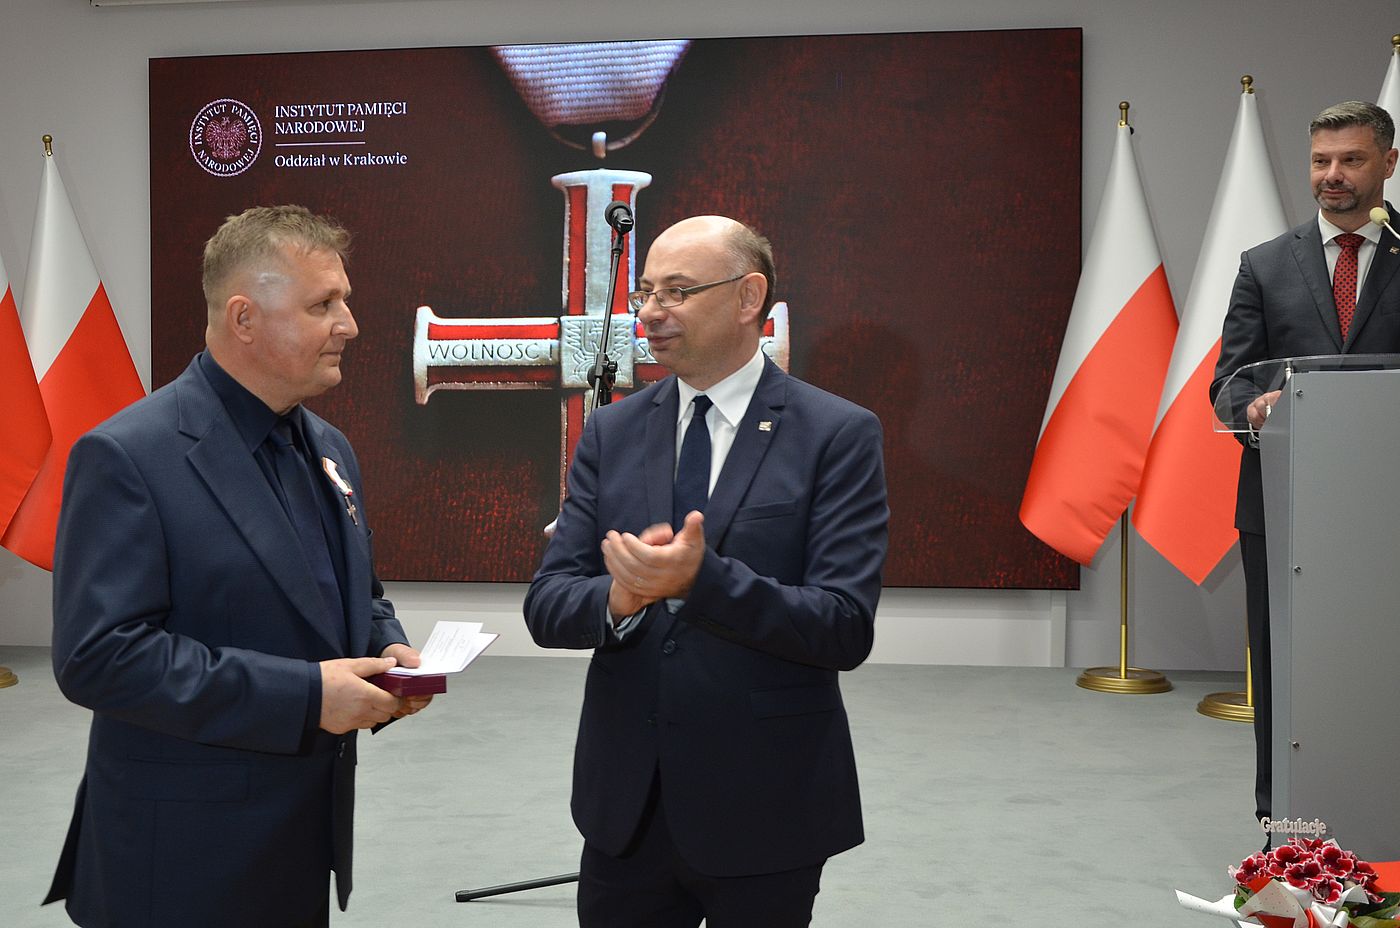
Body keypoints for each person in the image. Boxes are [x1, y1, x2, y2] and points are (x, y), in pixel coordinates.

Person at [44, 205, 432, 927]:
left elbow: (353, 590)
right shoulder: (128, 456)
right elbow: (99, 658)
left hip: (297, 844)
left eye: (344, 301)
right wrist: (306, 698)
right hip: (180, 861)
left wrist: (386, 648)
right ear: (244, 318)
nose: (349, 325)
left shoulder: (329, 448)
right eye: (323, 305)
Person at [524, 215, 889, 927]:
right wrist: (621, 596)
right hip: (626, 807)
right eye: (646, 294)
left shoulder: (836, 434)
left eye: (679, 292)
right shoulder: (612, 431)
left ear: (749, 297)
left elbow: (844, 626)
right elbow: (548, 605)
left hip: (766, 802)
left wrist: (702, 582)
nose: (651, 313)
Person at [1212, 101, 1399, 829]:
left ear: (1388, 162)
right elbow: (1229, 383)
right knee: (1285, 670)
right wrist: (1259, 409)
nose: (1332, 175)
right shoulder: (1264, 264)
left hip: (1386, 505)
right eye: (1321, 161)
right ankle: (1284, 827)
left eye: (1351, 159)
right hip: (1285, 507)